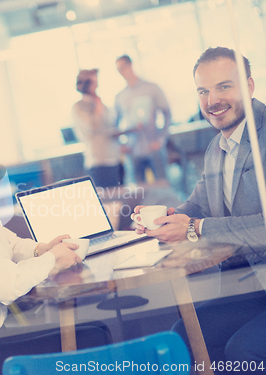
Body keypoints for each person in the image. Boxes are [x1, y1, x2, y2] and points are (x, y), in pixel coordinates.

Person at [0, 110, 111, 375]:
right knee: (92, 338)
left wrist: (41, 248)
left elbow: (6, 242)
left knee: (93, 332)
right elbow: (5, 286)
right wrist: (52, 261)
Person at [132, 47, 266, 372]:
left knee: (242, 350)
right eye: (203, 91)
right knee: (186, 337)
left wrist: (195, 228)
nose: (212, 101)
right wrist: (167, 217)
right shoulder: (217, 148)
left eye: (224, 87)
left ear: (248, 86)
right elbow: (198, 206)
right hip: (253, 285)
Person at [114, 55, 172, 183]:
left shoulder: (152, 88)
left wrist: (161, 139)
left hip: (154, 146)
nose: (122, 72)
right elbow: (115, 124)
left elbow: (167, 114)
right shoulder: (120, 96)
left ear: (130, 65)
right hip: (133, 150)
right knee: (139, 192)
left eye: (123, 67)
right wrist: (121, 145)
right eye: (118, 69)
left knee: (163, 186)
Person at [72, 69, 123, 188]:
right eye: (93, 82)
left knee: (119, 199)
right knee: (106, 200)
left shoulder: (101, 104)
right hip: (98, 162)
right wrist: (97, 108)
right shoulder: (79, 107)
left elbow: (109, 127)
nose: (96, 85)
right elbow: (90, 127)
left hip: (113, 158)